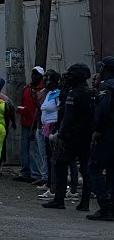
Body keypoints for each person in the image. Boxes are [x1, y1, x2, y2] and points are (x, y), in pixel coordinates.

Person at [42, 63, 94, 211]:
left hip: (72, 137)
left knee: (60, 164)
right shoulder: (92, 92)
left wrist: (61, 136)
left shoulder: (74, 94)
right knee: (85, 169)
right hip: (86, 137)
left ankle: (59, 200)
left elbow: (68, 118)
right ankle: (84, 203)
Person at [87, 57, 114, 221]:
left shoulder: (106, 86)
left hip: (107, 135)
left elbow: (103, 111)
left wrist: (97, 130)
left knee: (94, 168)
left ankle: (105, 206)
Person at [13, 66, 45, 183]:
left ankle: (35, 173)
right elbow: (22, 104)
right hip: (25, 122)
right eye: (33, 74)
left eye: (36, 75)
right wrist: (21, 110)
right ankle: (25, 172)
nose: (34, 77)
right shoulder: (27, 89)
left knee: (33, 150)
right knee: (24, 149)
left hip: (36, 124)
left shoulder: (42, 90)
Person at [36, 70, 61, 198]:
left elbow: (59, 111)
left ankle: (53, 187)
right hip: (45, 127)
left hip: (53, 128)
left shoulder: (58, 94)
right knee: (47, 155)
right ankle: (49, 183)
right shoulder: (49, 93)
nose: (46, 81)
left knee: (54, 158)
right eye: (46, 79)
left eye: (50, 79)